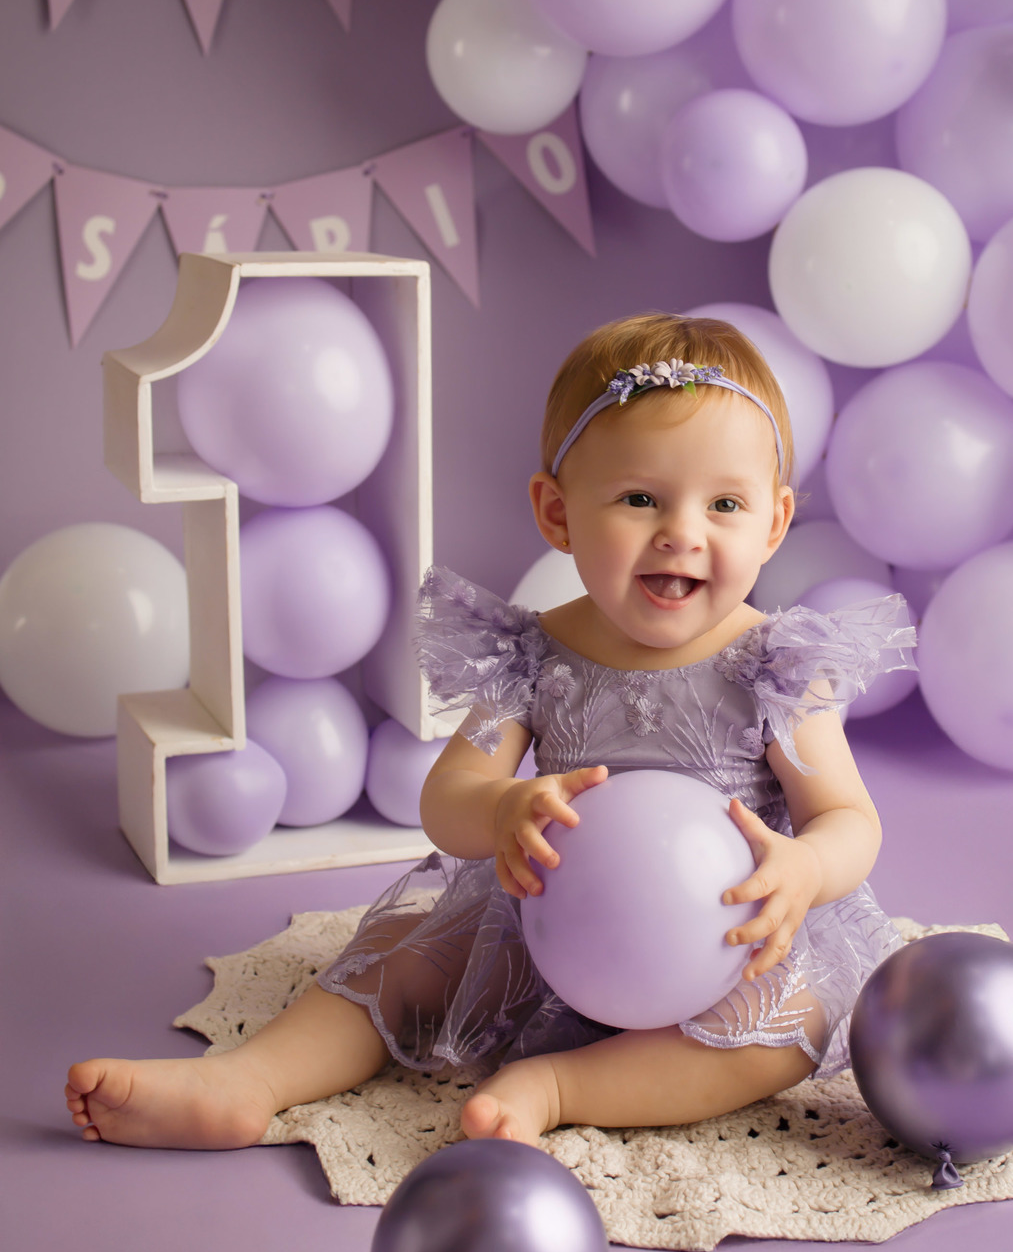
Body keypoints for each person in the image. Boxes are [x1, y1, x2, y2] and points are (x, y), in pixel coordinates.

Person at [66, 313, 915, 1151]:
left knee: (790, 1022)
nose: (682, 533)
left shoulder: (774, 665)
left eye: (725, 504)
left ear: (773, 523)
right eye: (640, 498)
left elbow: (848, 818)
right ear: (557, 512)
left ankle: (562, 1086)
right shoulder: (534, 652)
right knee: (402, 954)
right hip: (551, 928)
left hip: (734, 942)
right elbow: (448, 799)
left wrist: (804, 867)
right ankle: (249, 1082)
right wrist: (504, 809)